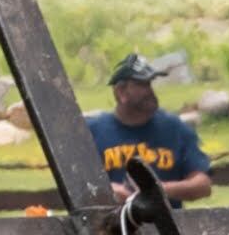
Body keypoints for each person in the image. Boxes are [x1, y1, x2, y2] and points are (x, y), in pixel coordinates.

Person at [83, 57, 215, 199]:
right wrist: (109, 190)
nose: (150, 92)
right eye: (142, 85)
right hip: (111, 220)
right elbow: (79, 184)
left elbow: (203, 185)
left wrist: (159, 190)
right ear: (121, 92)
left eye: (149, 84)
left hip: (166, 220)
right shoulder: (92, 133)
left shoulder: (174, 128)